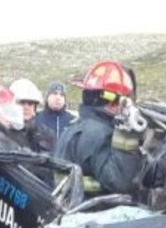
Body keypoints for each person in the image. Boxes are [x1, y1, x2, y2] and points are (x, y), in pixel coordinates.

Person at [54, 61, 142, 195]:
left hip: (70, 209)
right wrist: (127, 135)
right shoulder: (99, 134)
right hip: (96, 212)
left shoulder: (75, 127)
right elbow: (119, 183)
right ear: (115, 102)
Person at [9, 78, 55, 152]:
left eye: (30, 103)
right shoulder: (1, 133)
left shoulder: (45, 135)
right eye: (21, 102)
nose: (26, 107)